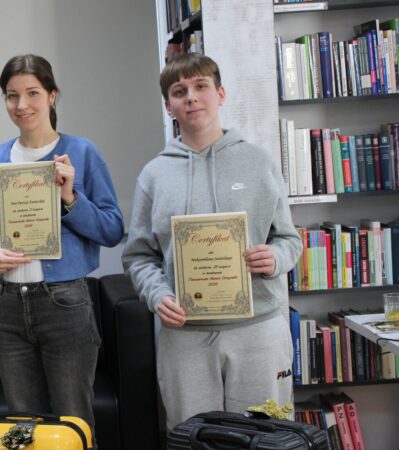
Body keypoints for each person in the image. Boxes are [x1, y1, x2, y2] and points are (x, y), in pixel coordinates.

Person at [121, 53, 302, 429]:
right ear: (169, 106)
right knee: (194, 437)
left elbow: (289, 239)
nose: (191, 97)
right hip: (184, 338)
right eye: (179, 91)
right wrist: (157, 295)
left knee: (265, 435)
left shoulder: (259, 162)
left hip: (258, 332)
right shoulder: (154, 175)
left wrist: (275, 257)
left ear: (220, 93)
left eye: (200, 86)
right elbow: (138, 256)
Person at [0, 54, 124, 437]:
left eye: (32, 93)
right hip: (5, 307)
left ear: (52, 95)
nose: (21, 105)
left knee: (73, 422)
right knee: (23, 428)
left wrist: (70, 199)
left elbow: (112, 229)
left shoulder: (82, 153)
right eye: (12, 95)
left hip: (64, 304)